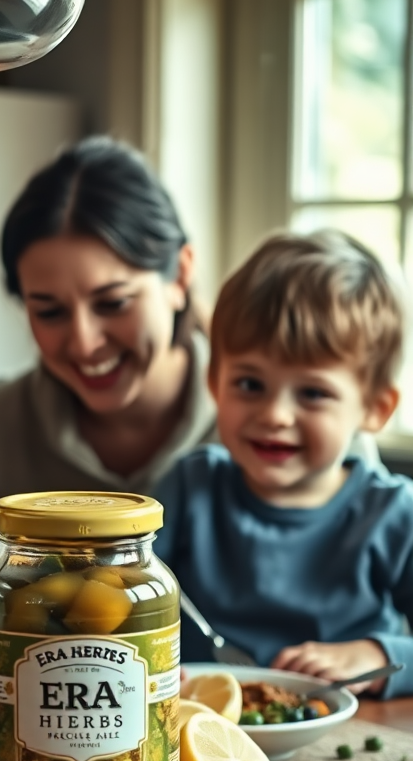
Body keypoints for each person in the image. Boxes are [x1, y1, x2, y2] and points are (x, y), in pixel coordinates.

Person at [153, 230, 413, 698]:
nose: (275, 415)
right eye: (250, 384)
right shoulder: (189, 488)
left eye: (313, 393)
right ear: (215, 381)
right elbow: (115, 595)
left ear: (376, 407)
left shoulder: (392, 513)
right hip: (203, 729)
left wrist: (379, 654)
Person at [0, 136, 214, 573]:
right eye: (50, 312)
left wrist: (372, 644)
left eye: (113, 303)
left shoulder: (286, 423)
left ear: (180, 276)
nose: (84, 343)